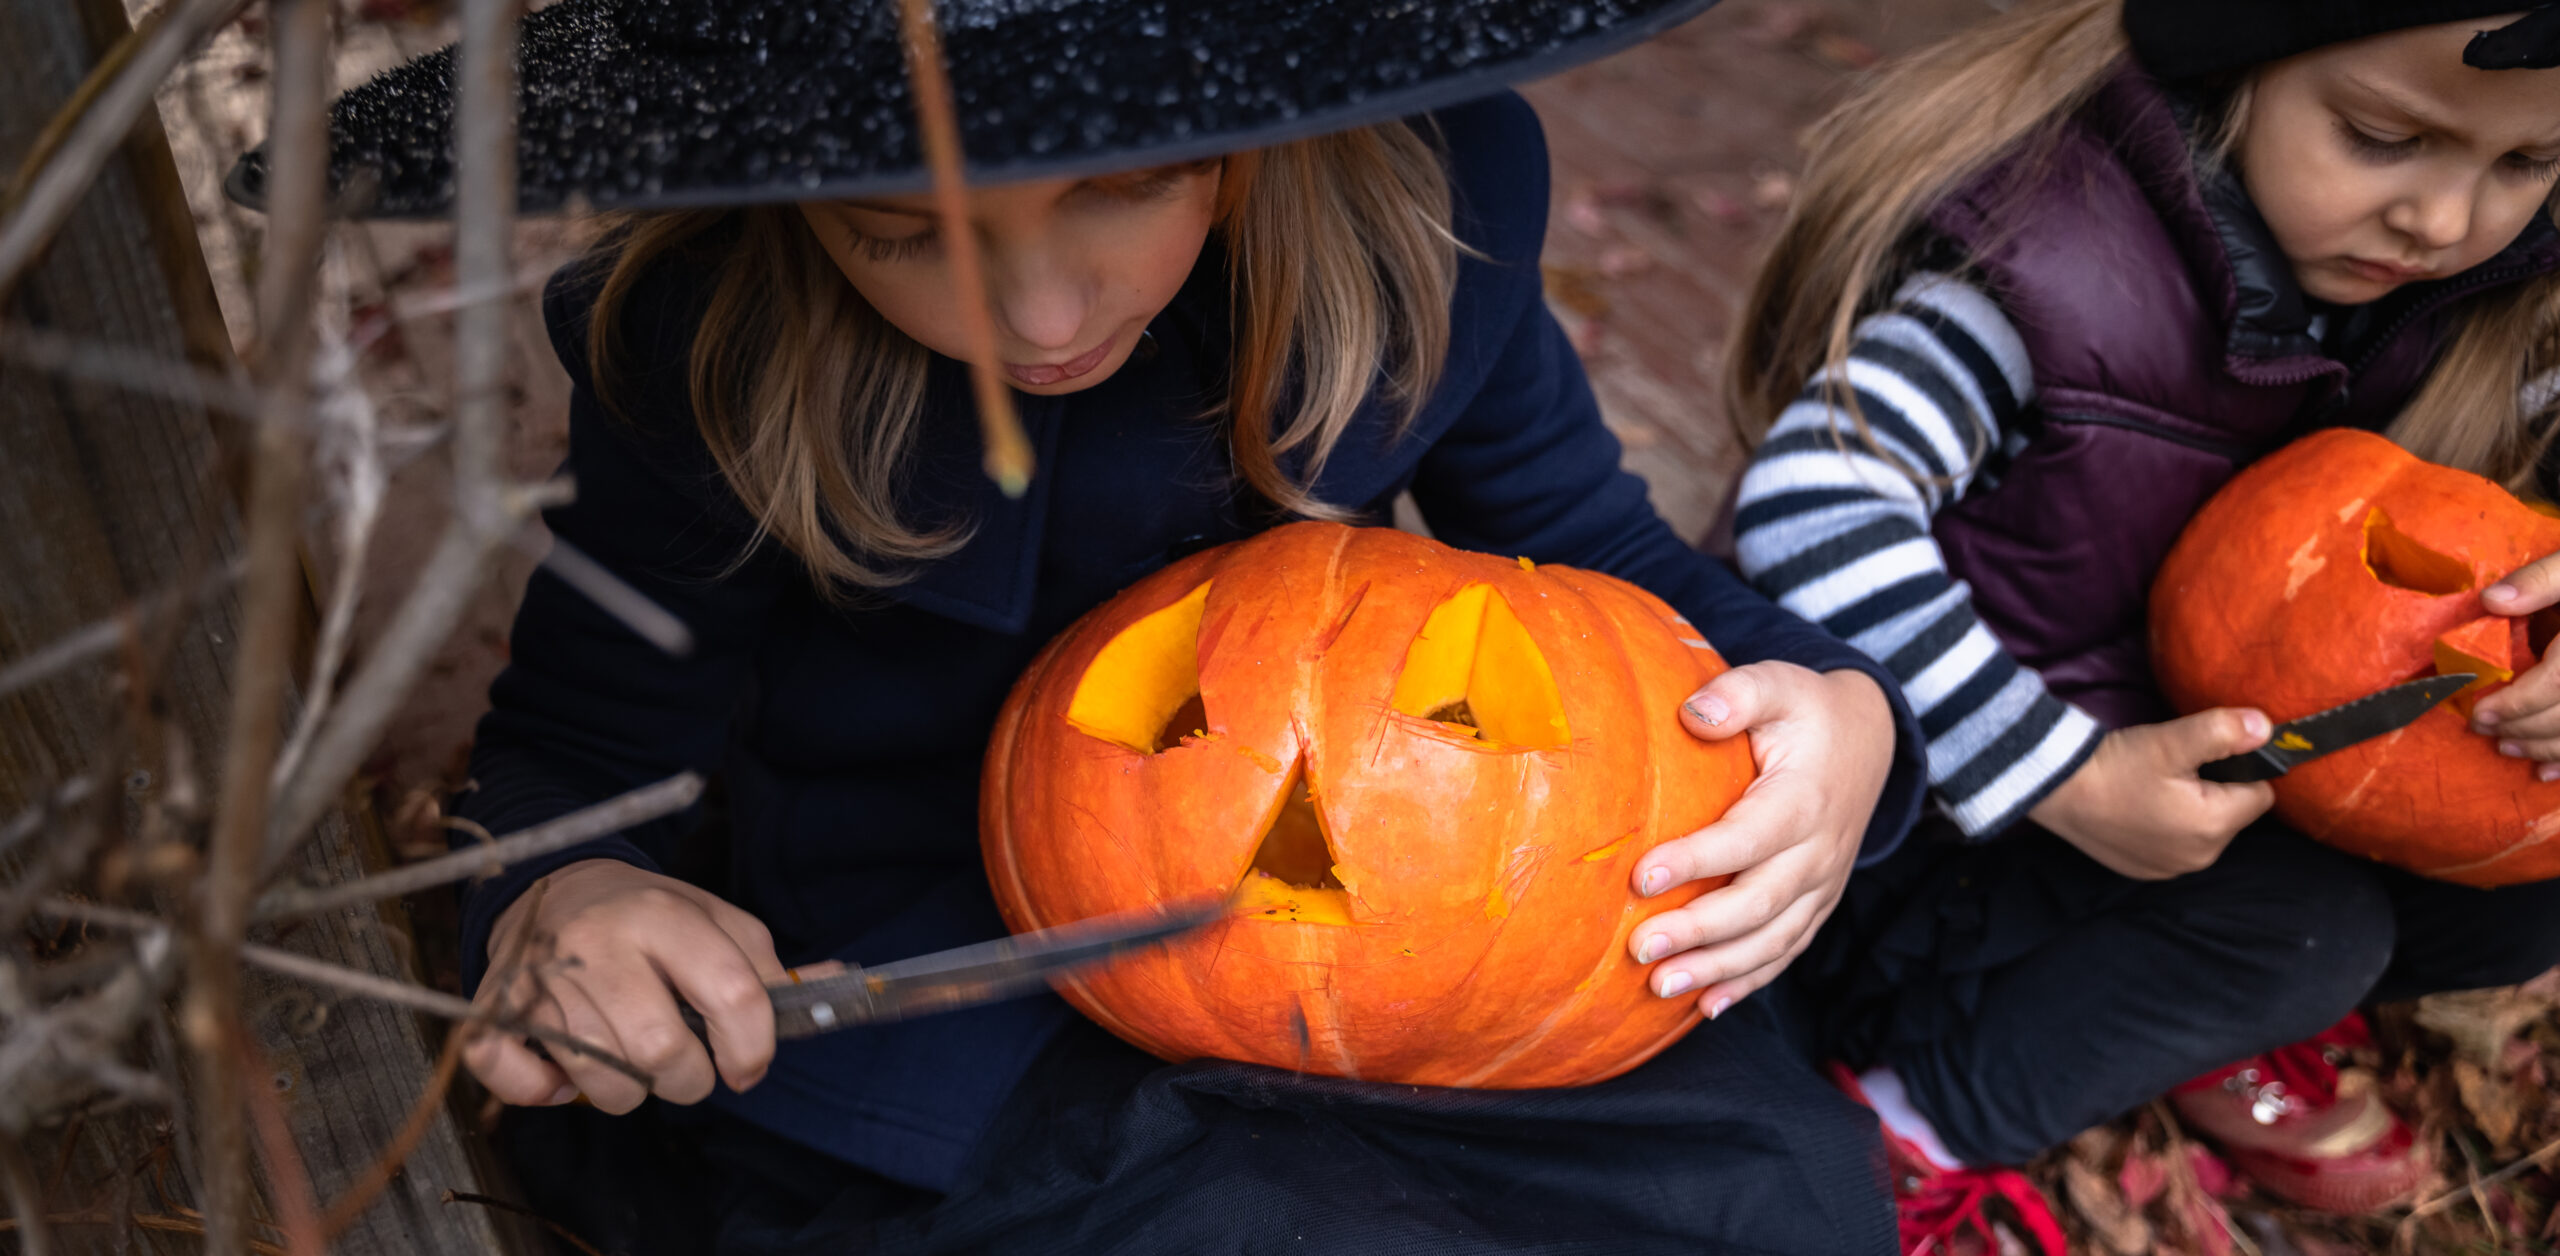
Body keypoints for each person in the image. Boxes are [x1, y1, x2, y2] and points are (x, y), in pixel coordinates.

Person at [230, 1, 1935, 1251]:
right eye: (905, 232)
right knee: (1280, 1233)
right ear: (795, 198)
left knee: (1773, 1202)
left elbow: (1595, 545)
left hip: (1400, 923)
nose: (1038, 311)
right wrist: (565, 892)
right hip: (942, 969)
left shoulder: (1426, 204)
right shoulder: (714, 345)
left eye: (1119, 190)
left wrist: (1844, 717)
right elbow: (584, 752)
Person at [1722, 0, 2560, 1249]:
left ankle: (2166, 1013)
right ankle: (1908, 1122)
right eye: (2381, 137)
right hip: (1905, 827)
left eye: (2523, 163)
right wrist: (2054, 771)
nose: (2444, 219)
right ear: (2229, 62)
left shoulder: (2445, 294)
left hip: (2173, 766)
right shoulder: (2049, 278)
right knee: (2308, 934)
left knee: (2522, 894)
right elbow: (1806, 506)